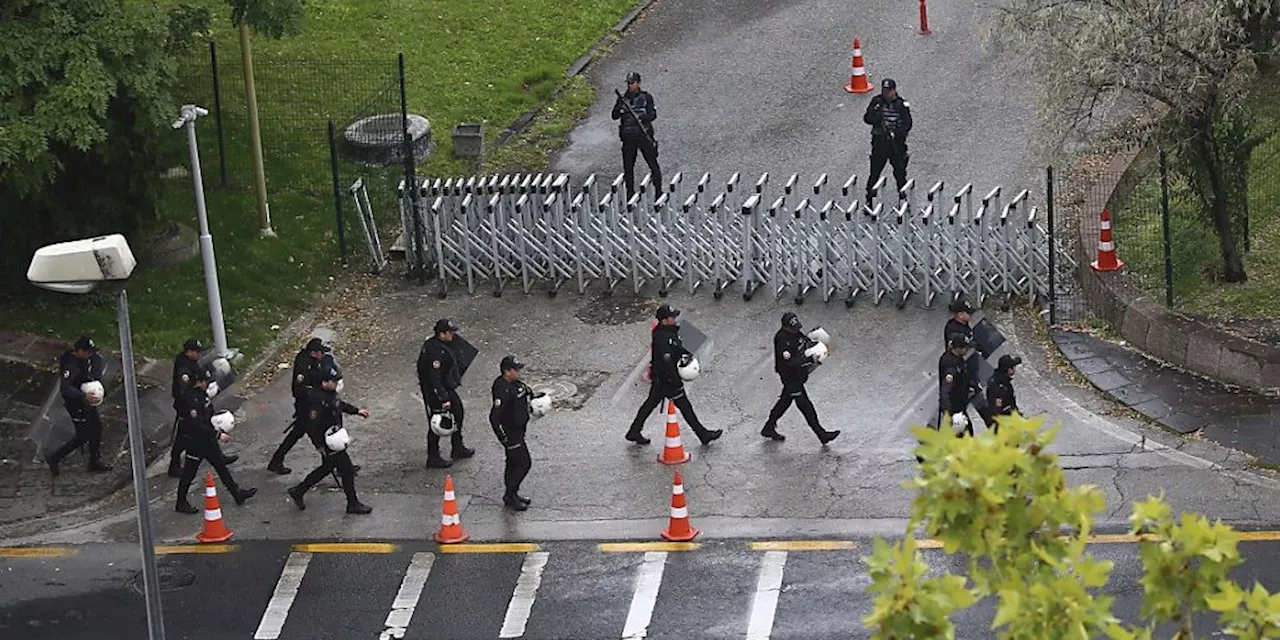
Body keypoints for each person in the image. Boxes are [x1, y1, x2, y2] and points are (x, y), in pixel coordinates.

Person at [625, 304, 722, 446]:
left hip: (660, 379)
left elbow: (678, 348)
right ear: (664, 320)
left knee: (650, 404)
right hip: (666, 380)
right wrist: (676, 382)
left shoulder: (668, 332)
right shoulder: (663, 338)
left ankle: (634, 431)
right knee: (685, 407)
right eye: (672, 317)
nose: (675, 319)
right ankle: (703, 434)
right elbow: (667, 362)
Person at [286, 362, 373, 514]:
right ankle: (352, 503)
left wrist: (357, 411)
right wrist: (319, 445)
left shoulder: (330, 394)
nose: (337, 384)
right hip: (329, 441)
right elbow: (311, 425)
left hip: (334, 438)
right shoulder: (317, 400)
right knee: (346, 471)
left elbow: (340, 405)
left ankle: (299, 490)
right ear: (324, 382)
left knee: (326, 468)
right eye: (334, 381)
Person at [174, 367, 256, 513]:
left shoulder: (202, 395)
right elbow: (195, 424)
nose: (207, 384)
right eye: (205, 381)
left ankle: (237, 494)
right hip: (195, 441)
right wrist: (217, 434)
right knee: (189, 473)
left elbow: (207, 415)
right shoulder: (189, 399)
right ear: (198, 382)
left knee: (221, 466)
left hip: (207, 439)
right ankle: (181, 502)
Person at [762, 313, 841, 445]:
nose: (797, 330)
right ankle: (821, 434)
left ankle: (768, 428)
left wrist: (820, 344)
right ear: (786, 327)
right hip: (790, 376)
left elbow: (804, 343)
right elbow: (790, 362)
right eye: (793, 328)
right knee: (805, 406)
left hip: (798, 375)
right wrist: (810, 359)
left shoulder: (796, 333)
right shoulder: (782, 340)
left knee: (784, 402)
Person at [169, 338, 235, 478]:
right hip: (188, 406)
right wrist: (196, 387)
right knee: (183, 436)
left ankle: (219, 455)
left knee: (208, 423)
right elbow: (183, 390)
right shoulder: (183, 367)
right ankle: (174, 465)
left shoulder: (191, 362)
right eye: (196, 352)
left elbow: (201, 373)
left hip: (199, 400)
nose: (198, 354)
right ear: (189, 351)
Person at [45, 337, 111, 476]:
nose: (91, 355)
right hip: (76, 404)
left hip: (88, 400)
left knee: (97, 428)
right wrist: (83, 396)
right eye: (88, 352)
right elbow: (66, 388)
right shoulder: (71, 365)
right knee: (83, 435)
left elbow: (96, 369)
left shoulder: (89, 359)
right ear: (80, 351)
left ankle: (94, 461)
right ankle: (55, 458)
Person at [418, 318, 475, 469]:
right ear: (441, 334)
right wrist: (443, 397)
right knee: (436, 423)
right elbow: (434, 377)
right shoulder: (435, 351)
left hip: (444, 386)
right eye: (450, 333)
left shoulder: (440, 344)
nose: (453, 335)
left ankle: (457, 447)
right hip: (435, 390)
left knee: (458, 413)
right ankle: (433, 457)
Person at [268, 337, 329, 474]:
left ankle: (276, 460)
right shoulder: (303, 364)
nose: (323, 355)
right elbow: (299, 389)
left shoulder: (312, 360)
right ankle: (332, 462)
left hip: (310, 406)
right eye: (321, 352)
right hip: (305, 406)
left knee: (297, 433)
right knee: (317, 434)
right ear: (314, 353)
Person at [489, 355, 540, 511]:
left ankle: (511, 495)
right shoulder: (502, 389)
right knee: (524, 464)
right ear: (507, 371)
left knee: (512, 464)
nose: (519, 372)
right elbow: (494, 417)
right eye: (516, 369)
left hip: (519, 430)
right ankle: (511, 494)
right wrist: (503, 437)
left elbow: (526, 394)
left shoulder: (516, 384)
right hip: (511, 434)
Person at [612, 71, 663, 200]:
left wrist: (639, 117)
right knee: (628, 168)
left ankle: (659, 191)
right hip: (628, 138)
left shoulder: (646, 97)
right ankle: (630, 193)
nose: (630, 86)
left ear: (638, 83)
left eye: (632, 83)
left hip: (643, 136)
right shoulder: (623, 99)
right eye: (628, 83)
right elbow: (614, 115)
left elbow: (652, 115)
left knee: (653, 164)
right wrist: (622, 110)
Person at [862, 78, 913, 205]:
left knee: (900, 173)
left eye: (888, 91)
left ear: (894, 91)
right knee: (874, 173)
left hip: (896, 144)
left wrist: (896, 133)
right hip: (880, 143)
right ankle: (869, 200)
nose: (886, 93)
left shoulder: (901, 105)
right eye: (884, 90)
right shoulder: (877, 102)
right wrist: (877, 118)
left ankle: (903, 199)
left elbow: (908, 124)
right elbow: (867, 118)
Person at [939, 333, 976, 437]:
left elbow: (962, 377)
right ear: (958, 348)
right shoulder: (950, 365)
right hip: (954, 409)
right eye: (965, 348)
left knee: (966, 435)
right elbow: (945, 389)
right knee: (963, 437)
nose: (967, 350)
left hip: (960, 406)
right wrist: (948, 412)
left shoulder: (958, 359)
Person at [986, 354, 1022, 431]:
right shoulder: (1001, 387)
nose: (1015, 369)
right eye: (1013, 367)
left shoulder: (1001, 381)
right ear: (1007, 369)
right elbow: (998, 409)